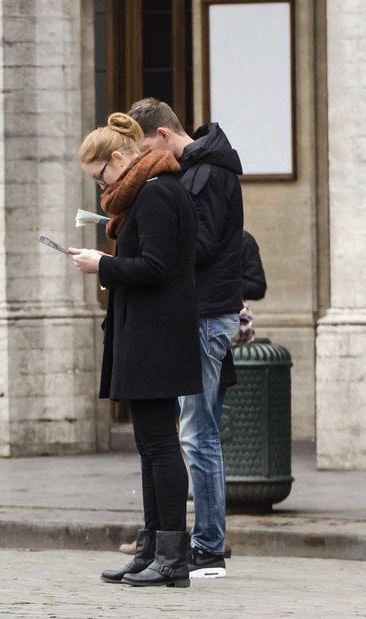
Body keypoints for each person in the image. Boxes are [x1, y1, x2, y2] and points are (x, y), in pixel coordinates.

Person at [69, 112, 201, 588]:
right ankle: (151, 549)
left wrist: (103, 263)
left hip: (159, 334)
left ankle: (173, 557)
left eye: (100, 175)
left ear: (121, 158)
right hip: (144, 330)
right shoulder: (145, 194)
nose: (101, 186)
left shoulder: (159, 192)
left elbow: (158, 267)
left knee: (161, 445)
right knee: (148, 445)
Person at [128, 98, 244, 579]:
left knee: (197, 435)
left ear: (160, 136)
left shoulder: (208, 173)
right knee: (191, 433)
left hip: (206, 313)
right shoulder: (196, 172)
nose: (140, 162)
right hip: (198, 312)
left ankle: (208, 547)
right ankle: (192, 542)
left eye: (140, 150)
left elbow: (199, 246)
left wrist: (150, 242)